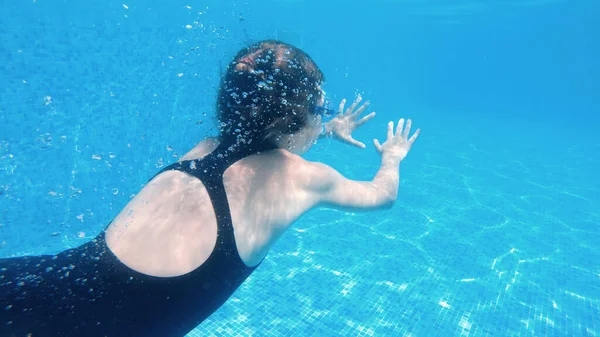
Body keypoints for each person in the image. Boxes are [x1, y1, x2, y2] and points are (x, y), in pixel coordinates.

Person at [0, 39, 420, 337]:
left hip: (40, 281)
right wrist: (392, 158)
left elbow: (262, 135)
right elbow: (382, 196)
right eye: (320, 109)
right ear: (297, 120)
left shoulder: (204, 147)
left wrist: (325, 128)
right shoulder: (307, 178)